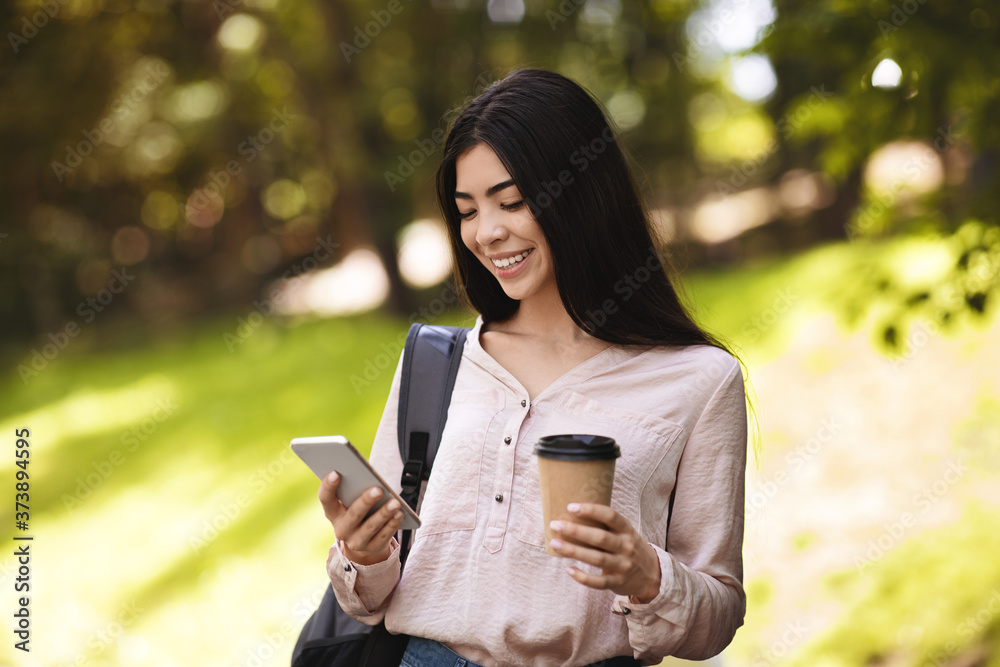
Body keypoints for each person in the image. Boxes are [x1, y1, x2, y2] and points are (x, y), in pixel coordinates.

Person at [319, 68, 748, 667]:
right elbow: (369, 599)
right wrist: (363, 553)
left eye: (512, 202)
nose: (487, 233)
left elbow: (718, 615)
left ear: (583, 193)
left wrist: (647, 574)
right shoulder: (435, 363)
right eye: (467, 211)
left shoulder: (699, 381)